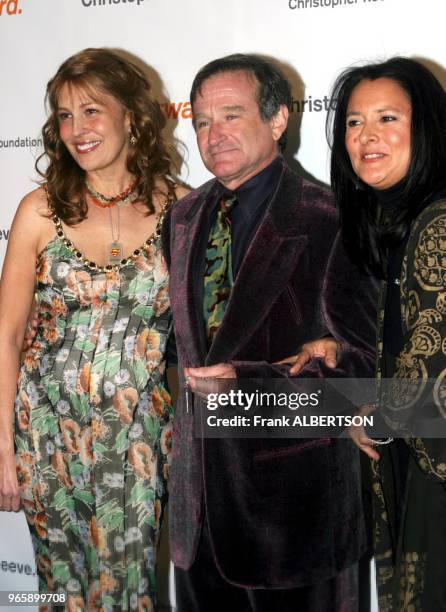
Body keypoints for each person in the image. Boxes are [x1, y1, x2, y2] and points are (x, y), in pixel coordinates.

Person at [162, 53, 377, 612]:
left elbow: (361, 378)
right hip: (199, 519)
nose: (214, 135)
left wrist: (248, 386)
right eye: (203, 121)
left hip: (294, 518)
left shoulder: (330, 219)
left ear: (278, 120)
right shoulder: (181, 219)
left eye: (232, 115)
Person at [0, 48, 188, 610]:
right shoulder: (39, 210)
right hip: (45, 438)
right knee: (61, 593)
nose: (76, 129)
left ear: (132, 115)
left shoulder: (182, 210)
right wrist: (2, 449)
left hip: (136, 439)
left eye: (91, 110)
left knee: (130, 592)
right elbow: (6, 336)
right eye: (63, 115)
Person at [290, 57, 446, 611]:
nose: (367, 137)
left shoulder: (437, 220)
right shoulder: (394, 222)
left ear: (425, 128)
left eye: (387, 118)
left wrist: (375, 417)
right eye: (354, 123)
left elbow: (434, 375)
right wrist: (342, 344)